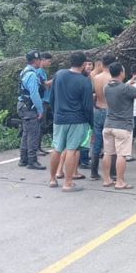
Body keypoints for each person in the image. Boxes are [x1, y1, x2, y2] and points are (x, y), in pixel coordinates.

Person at [47, 52, 93, 192]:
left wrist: (55, 113)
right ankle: (68, 183)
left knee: (57, 148)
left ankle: (53, 179)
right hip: (77, 119)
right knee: (72, 150)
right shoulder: (85, 81)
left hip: (59, 118)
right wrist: (91, 123)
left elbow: (52, 97)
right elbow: (87, 106)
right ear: (84, 64)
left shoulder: (59, 74)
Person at [102, 62, 136, 189]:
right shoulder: (125, 89)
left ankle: (106, 179)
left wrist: (130, 81)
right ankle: (120, 181)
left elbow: (121, 87)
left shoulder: (106, 87)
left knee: (108, 153)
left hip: (108, 125)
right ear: (121, 73)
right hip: (122, 126)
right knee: (121, 154)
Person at [17, 50, 46, 170]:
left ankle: (23, 158)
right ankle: (32, 160)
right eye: (40, 60)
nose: (41, 62)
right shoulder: (32, 75)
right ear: (36, 61)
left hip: (23, 105)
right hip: (30, 107)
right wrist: (40, 110)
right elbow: (34, 94)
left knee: (26, 133)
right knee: (33, 134)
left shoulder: (24, 71)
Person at [91, 53, 117, 180]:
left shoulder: (96, 77)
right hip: (109, 110)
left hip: (98, 109)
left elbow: (94, 94)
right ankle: (112, 172)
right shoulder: (112, 79)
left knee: (97, 141)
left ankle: (94, 171)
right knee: (112, 142)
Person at [36, 52, 53, 156]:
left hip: (46, 101)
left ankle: (39, 146)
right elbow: (44, 84)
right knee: (39, 125)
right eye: (48, 61)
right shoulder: (38, 72)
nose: (49, 63)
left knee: (42, 125)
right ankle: (36, 147)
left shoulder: (43, 72)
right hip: (42, 101)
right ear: (42, 60)